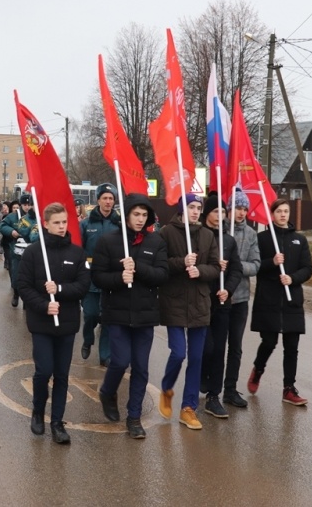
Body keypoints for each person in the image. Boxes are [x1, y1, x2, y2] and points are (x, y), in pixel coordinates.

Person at [92, 193, 168, 439]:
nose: (140, 219)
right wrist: (118, 277)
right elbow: (97, 276)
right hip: (117, 313)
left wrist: (139, 268)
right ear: (126, 215)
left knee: (141, 368)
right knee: (120, 361)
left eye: (144, 215)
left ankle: (133, 417)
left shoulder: (156, 242)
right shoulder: (108, 241)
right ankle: (107, 391)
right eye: (136, 214)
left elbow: (162, 275)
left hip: (145, 314)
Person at [17, 203, 90, 444]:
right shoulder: (33, 252)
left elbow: (83, 286)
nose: (61, 227)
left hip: (67, 323)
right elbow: (24, 286)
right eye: (56, 223)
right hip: (41, 323)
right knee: (43, 371)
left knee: (62, 374)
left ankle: (57, 422)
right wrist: (43, 305)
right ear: (46, 224)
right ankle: (38, 411)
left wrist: (59, 289)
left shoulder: (76, 253)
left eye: (64, 222)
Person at [158, 194, 220, 430]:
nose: (195, 211)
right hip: (174, 301)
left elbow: (215, 267)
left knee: (196, 358)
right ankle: (166, 388)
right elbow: (160, 264)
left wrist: (201, 271)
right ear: (182, 209)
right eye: (191, 207)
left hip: (200, 304)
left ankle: (188, 408)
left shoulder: (207, 235)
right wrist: (181, 262)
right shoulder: (167, 233)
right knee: (178, 353)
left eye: (198, 208)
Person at [247, 199, 312, 406]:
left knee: (291, 346)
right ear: (272, 214)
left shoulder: (299, 240)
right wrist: (271, 263)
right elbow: (255, 266)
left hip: (291, 299)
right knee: (269, 342)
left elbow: (308, 268)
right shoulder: (263, 239)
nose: (283, 215)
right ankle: (258, 369)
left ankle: (289, 388)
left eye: (286, 211)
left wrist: (292, 278)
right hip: (269, 299)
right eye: (279, 211)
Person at [200, 192, 243, 419]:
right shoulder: (197, 236)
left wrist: (230, 288)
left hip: (222, 300)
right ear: (207, 213)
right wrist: (212, 265)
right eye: (216, 211)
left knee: (219, 349)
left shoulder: (229, 240)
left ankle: (213, 397)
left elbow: (236, 269)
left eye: (223, 212)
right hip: (200, 300)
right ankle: (200, 376)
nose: (220, 215)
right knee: (205, 347)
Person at [219, 189, 260, 409]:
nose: (242, 213)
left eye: (245, 209)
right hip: (218, 296)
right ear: (228, 209)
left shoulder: (251, 234)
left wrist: (236, 266)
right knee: (215, 345)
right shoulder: (218, 230)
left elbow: (256, 265)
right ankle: (212, 386)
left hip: (240, 298)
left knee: (235, 346)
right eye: (238, 208)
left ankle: (230, 390)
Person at [80, 183, 121, 366]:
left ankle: (105, 354)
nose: (108, 202)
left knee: (107, 318)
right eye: (104, 198)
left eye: (111, 198)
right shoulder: (86, 224)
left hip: (111, 278)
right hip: (89, 277)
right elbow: (78, 250)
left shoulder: (119, 224)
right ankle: (88, 339)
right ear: (98, 200)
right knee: (91, 314)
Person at [0, 194, 37, 308]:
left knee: (31, 276)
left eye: (29, 205)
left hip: (32, 251)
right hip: (16, 251)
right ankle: (16, 294)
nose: (27, 207)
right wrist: (11, 232)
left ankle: (27, 300)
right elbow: (3, 226)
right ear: (21, 205)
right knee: (16, 274)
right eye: (25, 205)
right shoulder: (13, 216)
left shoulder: (37, 217)